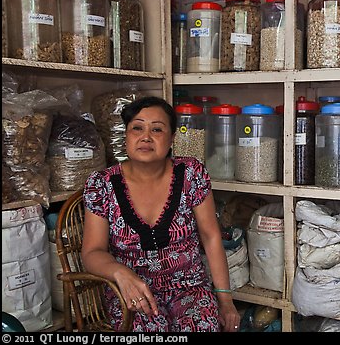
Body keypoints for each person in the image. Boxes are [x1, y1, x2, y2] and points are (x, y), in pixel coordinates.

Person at [81, 96, 241, 332]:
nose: (146, 137)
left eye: (157, 129)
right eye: (137, 128)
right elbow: (92, 252)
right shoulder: (102, 185)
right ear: (126, 135)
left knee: (203, 327)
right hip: (134, 292)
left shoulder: (191, 174)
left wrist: (226, 301)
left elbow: (211, 236)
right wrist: (121, 273)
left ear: (172, 138)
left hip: (190, 288)